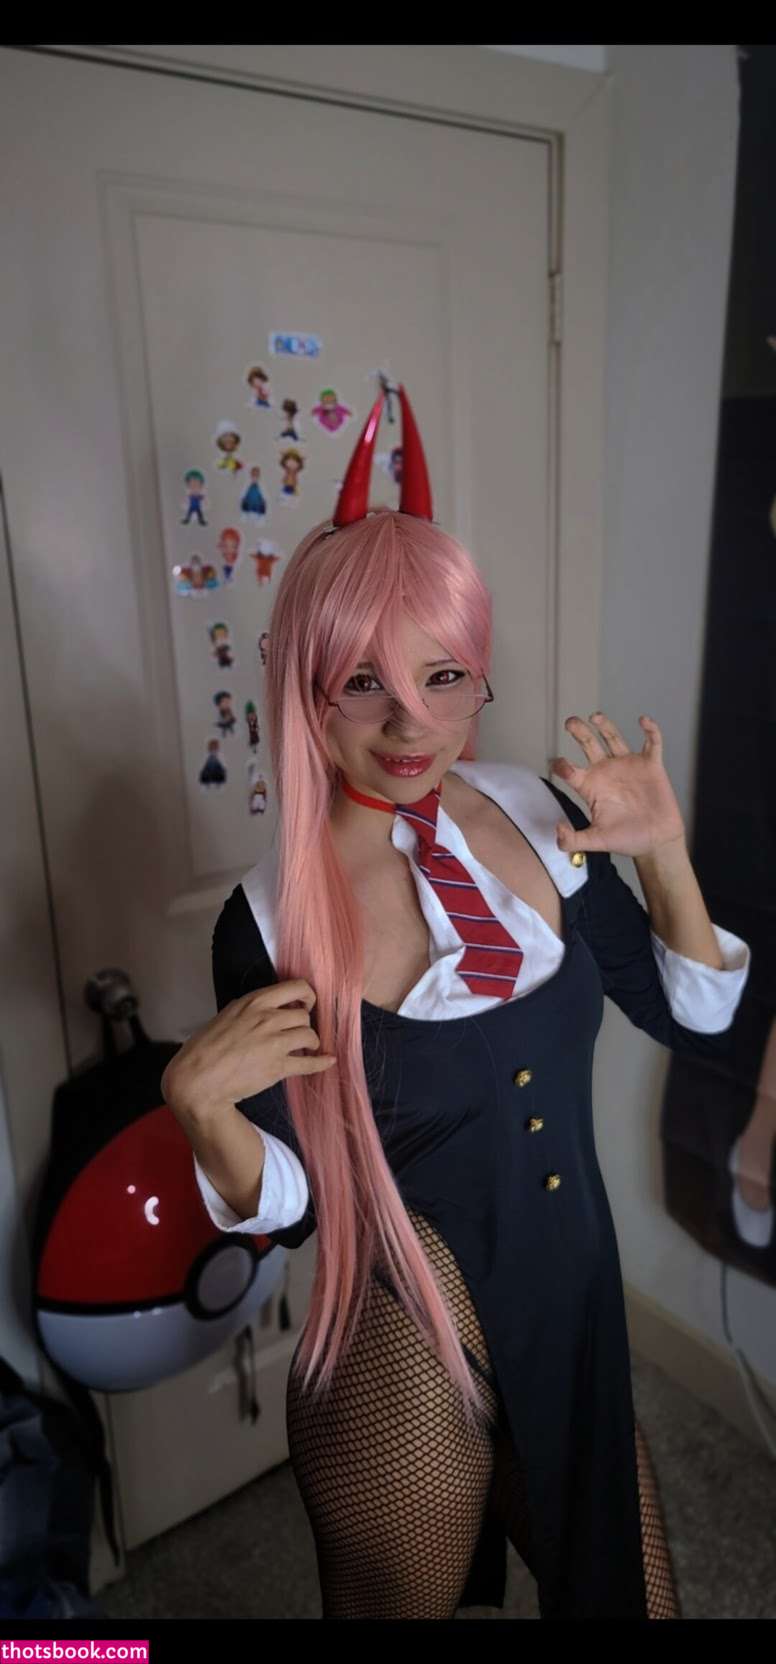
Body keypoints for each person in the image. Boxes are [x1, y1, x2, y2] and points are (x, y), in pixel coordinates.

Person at [162, 387, 751, 1620]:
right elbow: (288, 1202)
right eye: (360, 682)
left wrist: (664, 855)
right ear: (306, 689)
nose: (410, 723)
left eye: (442, 676)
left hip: (573, 1311)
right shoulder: (268, 921)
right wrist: (202, 1112)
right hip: (405, 1341)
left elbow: (690, 1016)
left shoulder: (542, 813)